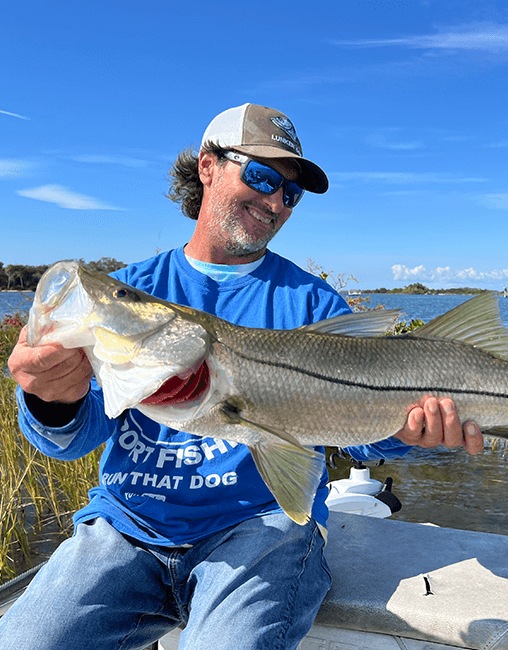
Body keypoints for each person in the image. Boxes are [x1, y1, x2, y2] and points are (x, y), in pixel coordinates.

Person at [1, 103, 483, 650]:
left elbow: (361, 433)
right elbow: (74, 439)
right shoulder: (131, 290)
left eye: (290, 194)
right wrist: (49, 400)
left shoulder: (313, 303)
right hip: (126, 528)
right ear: (207, 166)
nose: (276, 201)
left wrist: (405, 433)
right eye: (260, 176)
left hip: (263, 529)